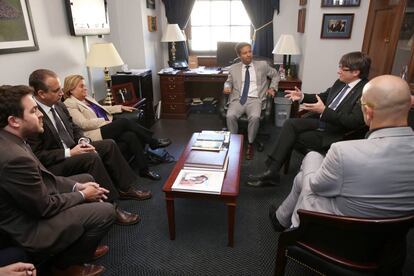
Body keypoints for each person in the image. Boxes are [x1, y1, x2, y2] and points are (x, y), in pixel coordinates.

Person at [269, 75, 414, 232]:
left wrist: (314, 157)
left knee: (311, 162)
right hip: (391, 238)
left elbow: (316, 186)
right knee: (301, 177)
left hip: (344, 229)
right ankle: (280, 218)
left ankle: (292, 229)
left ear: (368, 112)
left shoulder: (343, 151)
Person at [0, 85, 114, 275]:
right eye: (34, 110)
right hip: (28, 228)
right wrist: (83, 195)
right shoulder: (14, 158)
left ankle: (74, 244)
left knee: (86, 178)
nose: (40, 114)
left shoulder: (12, 139)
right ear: (14, 121)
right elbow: (45, 208)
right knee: (105, 212)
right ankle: (65, 265)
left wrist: (78, 186)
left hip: (31, 204)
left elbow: (46, 179)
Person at [28, 69, 149, 226]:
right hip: (57, 161)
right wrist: (69, 152)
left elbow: (73, 127)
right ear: (41, 93)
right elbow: (37, 155)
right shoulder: (33, 115)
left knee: (109, 144)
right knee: (91, 158)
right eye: (56, 90)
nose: (61, 93)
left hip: (74, 147)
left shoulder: (58, 105)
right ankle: (112, 206)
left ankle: (126, 188)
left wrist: (83, 140)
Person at [248, 51, 371, 187]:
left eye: (343, 69)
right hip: (324, 121)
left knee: (290, 134)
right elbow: (322, 96)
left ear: (356, 72)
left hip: (337, 132)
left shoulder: (366, 91)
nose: (339, 71)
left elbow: (354, 122)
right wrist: (302, 97)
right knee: (290, 124)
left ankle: (271, 172)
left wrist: (324, 111)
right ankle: (272, 172)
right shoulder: (341, 82)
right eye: (339, 67)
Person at [62, 74, 171, 180]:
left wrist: (120, 107)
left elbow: (102, 108)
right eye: (81, 86)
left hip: (105, 127)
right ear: (71, 90)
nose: (85, 88)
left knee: (130, 136)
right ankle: (153, 142)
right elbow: (83, 124)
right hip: (94, 133)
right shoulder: (69, 104)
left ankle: (144, 169)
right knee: (123, 122)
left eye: (85, 85)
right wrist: (105, 121)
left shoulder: (87, 98)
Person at [223, 42, 279, 160]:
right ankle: (234, 142)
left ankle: (250, 143)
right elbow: (229, 81)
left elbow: (275, 75)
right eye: (245, 53)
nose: (249, 55)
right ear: (239, 55)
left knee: (255, 117)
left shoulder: (262, 65)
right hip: (238, 99)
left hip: (255, 99)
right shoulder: (233, 68)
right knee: (230, 116)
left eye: (250, 51)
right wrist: (227, 86)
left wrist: (272, 88)